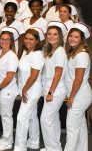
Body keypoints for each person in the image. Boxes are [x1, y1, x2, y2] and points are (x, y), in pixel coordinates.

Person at [14, 28, 45, 151]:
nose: (28, 41)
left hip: (31, 90)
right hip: (27, 89)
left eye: (31, 39)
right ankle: (33, 141)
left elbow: (34, 75)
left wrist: (24, 89)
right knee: (32, 116)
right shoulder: (26, 53)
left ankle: (20, 146)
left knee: (21, 118)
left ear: (37, 41)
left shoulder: (37, 54)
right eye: (26, 38)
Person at [40, 21, 68, 151]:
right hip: (49, 88)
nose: (52, 36)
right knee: (54, 119)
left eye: (55, 34)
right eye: (49, 34)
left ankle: (52, 148)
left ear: (60, 36)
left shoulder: (60, 51)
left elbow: (58, 73)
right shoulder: (50, 50)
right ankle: (55, 146)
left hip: (55, 90)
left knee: (45, 119)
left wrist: (51, 92)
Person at [64, 22, 92, 151]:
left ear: (81, 40)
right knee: (79, 127)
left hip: (79, 96)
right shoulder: (75, 52)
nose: (72, 39)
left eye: (76, 37)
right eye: (71, 36)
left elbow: (78, 80)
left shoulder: (82, 55)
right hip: (79, 95)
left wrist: (71, 98)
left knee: (71, 130)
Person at [0, 26, 19, 151]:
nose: (4, 41)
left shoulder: (12, 56)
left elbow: (9, 77)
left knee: (7, 116)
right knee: (3, 114)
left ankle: (8, 141)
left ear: (11, 41)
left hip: (6, 90)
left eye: (7, 40)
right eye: (2, 39)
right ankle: (5, 137)